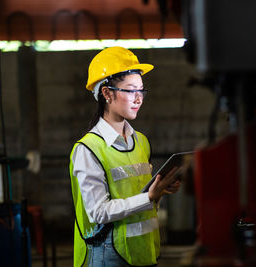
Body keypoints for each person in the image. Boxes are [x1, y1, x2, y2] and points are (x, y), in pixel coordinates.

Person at [69, 46, 181, 267]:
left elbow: (139, 197)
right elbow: (98, 212)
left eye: (141, 90)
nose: (138, 98)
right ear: (107, 93)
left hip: (144, 251)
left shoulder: (141, 141)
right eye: (130, 90)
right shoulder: (88, 148)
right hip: (105, 255)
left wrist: (159, 191)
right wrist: (148, 197)